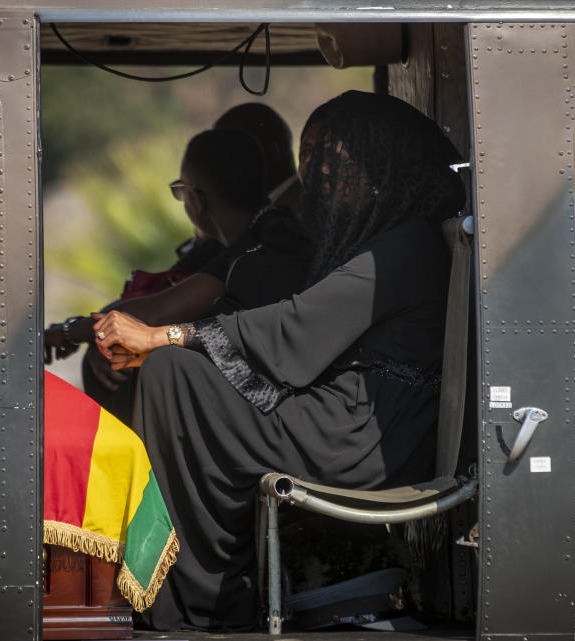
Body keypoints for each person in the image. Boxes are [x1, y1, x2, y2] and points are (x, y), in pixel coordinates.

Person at [91, 90, 466, 630]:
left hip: (361, 436)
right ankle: (196, 593)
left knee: (176, 373)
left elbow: (295, 327)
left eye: (336, 163)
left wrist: (163, 336)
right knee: (179, 372)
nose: (319, 177)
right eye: (311, 160)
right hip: (351, 421)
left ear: (382, 168)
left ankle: (202, 603)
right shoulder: (389, 240)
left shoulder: (402, 250)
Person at [46, 127, 311, 419]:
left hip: (271, 402)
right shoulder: (233, 240)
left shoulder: (269, 237)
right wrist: (92, 335)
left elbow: (153, 313)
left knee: (157, 366)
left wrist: (68, 332)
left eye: (181, 191)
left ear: (197, 200)